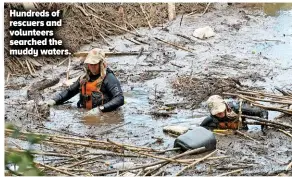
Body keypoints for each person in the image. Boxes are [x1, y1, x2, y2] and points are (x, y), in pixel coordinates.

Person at [44, 48, 124, 112]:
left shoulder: (109, 78)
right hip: (86, 112)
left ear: (101, 64)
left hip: (104, 113)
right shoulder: (84, 79)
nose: (92, 67)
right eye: (90, 64)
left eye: (94, 64)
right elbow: (69, 92)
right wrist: (53, 101)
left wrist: (101, 109)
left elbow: (120, 98)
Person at [200, 95, 268, 131]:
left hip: (242, 133)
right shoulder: (211, 118)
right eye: (216, 112)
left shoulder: (237, 108)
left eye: (220, 109)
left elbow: (263, 112)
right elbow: (201, 128)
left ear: (225, 105)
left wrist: (264, 129)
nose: (219, 112)